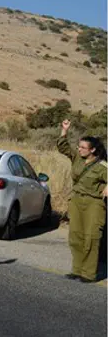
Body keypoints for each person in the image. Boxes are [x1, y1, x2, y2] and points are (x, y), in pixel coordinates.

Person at [57, 119, 108, 283]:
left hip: (94, 203)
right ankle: (77, 270)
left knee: (91, 237)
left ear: (92, 150)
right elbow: (63, 146)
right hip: (77, 201)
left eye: (83, 148)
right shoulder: (77, 159)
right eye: (78, 147)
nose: (79, 149)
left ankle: (89, 273)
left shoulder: (102, 166)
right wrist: (64, 130)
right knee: (76, 236)